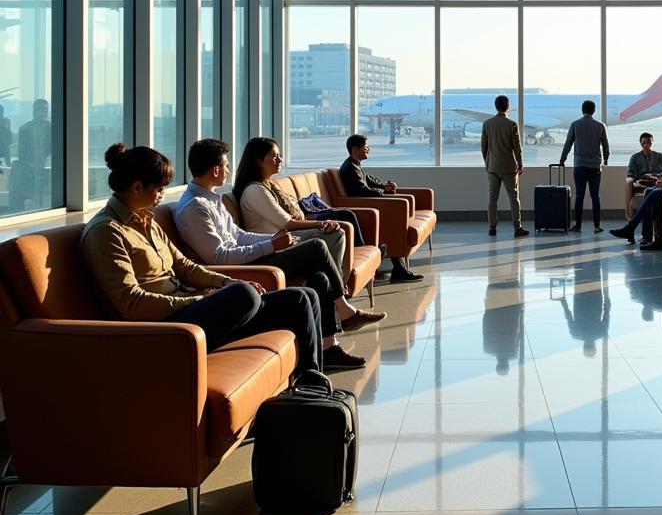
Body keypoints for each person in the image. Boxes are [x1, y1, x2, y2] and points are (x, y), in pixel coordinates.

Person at [80, 143, 324, 374]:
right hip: (167, 327)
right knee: (245, 295)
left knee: (303, 298)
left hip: (188, 307)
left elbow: (184, 266)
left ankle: (312, 383)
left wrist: (224, 282)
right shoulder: (107, 231)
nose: (163, 196)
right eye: (160, 188)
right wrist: (199, 300)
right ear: (136, 187)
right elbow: (131, 303)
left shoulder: (146, 220)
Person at [177, 138, 379, 369]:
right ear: (215, 170)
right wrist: (271, 245)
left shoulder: (212, 200)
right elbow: (220, 257)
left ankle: (329, 346)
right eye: (225, 166)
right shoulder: (195, 206)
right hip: (245, 266)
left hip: (252, 255)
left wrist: (273, 240)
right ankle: (343, 309)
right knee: (317, 247)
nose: (228, 170)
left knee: (320, 277)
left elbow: (239, 235)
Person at [339, 134, 424, 282]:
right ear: (355, 149)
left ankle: (399, 269)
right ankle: (399, 270)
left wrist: (384, 187)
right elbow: (361, 191)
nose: (369, 149)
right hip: (364, 210)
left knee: (393, 226)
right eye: (366, 147)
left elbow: (369, 180)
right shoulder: (350, 168)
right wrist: (382, 192)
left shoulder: (355, 164)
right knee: (392, 227)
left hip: (368, 207)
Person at [480, 96, 529, 238]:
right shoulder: (512, 124)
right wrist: (520, 163)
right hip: (508, 166)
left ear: (496, 107)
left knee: (492, 198)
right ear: (508, 107)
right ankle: (517, 227)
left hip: (492, 167)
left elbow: (484, 146)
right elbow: (517, 147)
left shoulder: (487, 124)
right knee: (514, 197)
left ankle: (492, 227)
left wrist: (488, 161)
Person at [559, 100, 610, 233]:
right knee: (595, 196)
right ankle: (597, 225)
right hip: (595, 167)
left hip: (580, 166)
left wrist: (562, 159)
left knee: (579, 195)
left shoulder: (575, 125)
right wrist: (606, 159)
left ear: (582, 110)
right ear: (594, 111)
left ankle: (578, 225)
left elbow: (568, 144)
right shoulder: (600, 126)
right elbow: (606, 146)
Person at [9, 97, 51, 211]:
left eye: (46, 110)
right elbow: (22, 153)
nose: (44, 112)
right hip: (29, 170)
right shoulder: (24, 129)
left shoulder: (52, 128)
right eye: (41, 109)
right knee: (29, 198)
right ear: (34, 111)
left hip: (45, 168)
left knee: (43, 200)